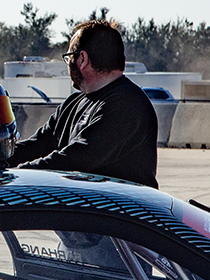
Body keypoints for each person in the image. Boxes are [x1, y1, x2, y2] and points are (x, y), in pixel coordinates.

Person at [8, 20, 158, 188]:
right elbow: (38, 145)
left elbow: (77, 158)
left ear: (82, 59)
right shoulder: (73, 103)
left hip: (120, 211)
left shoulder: (128, 105)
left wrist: (17, 175)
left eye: (68, 58)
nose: (68, 65)